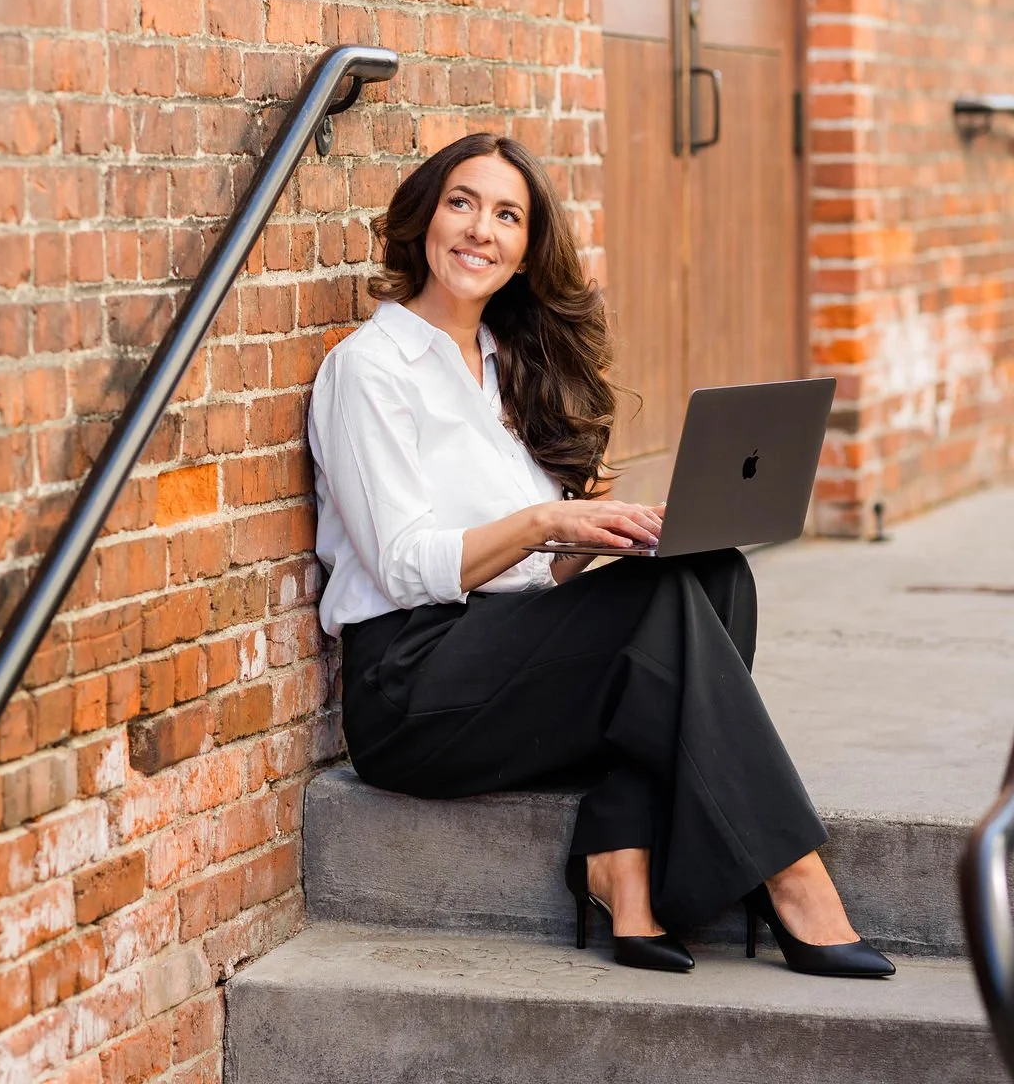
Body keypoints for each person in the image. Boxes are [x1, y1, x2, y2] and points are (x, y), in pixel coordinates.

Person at [307, 133, 894, 978]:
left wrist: (598, 537)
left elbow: (525, 575)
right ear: (424, 220)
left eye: (507, 216)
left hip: (497, 652)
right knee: (660, 610)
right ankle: (790, 872)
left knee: (706, 569)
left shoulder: (505, 366)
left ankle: (620, 850)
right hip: (411, 691)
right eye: (462, 203)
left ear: (525, 250)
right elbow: (404, 568)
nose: (481, 231)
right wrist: (550, 519)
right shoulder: (369, 371)